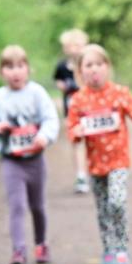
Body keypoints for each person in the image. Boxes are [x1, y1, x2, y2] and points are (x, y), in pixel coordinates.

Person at [66, 44, 132, 264]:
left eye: (99, 64)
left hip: (118, 161)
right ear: (81, 72)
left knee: (117, 202)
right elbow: (71, 129)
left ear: (107, 67)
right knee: (103, 209)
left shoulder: (120, 94)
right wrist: (76, 133)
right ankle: (108, 249)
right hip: (95, 164)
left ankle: (122, 249)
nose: (94, 70)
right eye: (88, 65)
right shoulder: (78, 100)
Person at [0, 45, 59, 264]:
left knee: (37, 206)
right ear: (1, 72)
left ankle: (41, 244)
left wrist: (43, 137)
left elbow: (50, 119)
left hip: (35, 160)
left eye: (20, 66)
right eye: (9, 67)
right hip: (11, 161)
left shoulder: (37, 93)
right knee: (16, 206)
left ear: (28, 69)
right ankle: (18, 250)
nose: (15, 72)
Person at [54, 28, 90, 194]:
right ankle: (81, 175)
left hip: (90, 110)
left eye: (78, 45)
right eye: (71, 46)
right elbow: (59, 82)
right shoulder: (62, 66)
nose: (74, 49)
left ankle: (96, 172)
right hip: (72, 110)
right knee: (76, 142)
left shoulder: (89, 64)